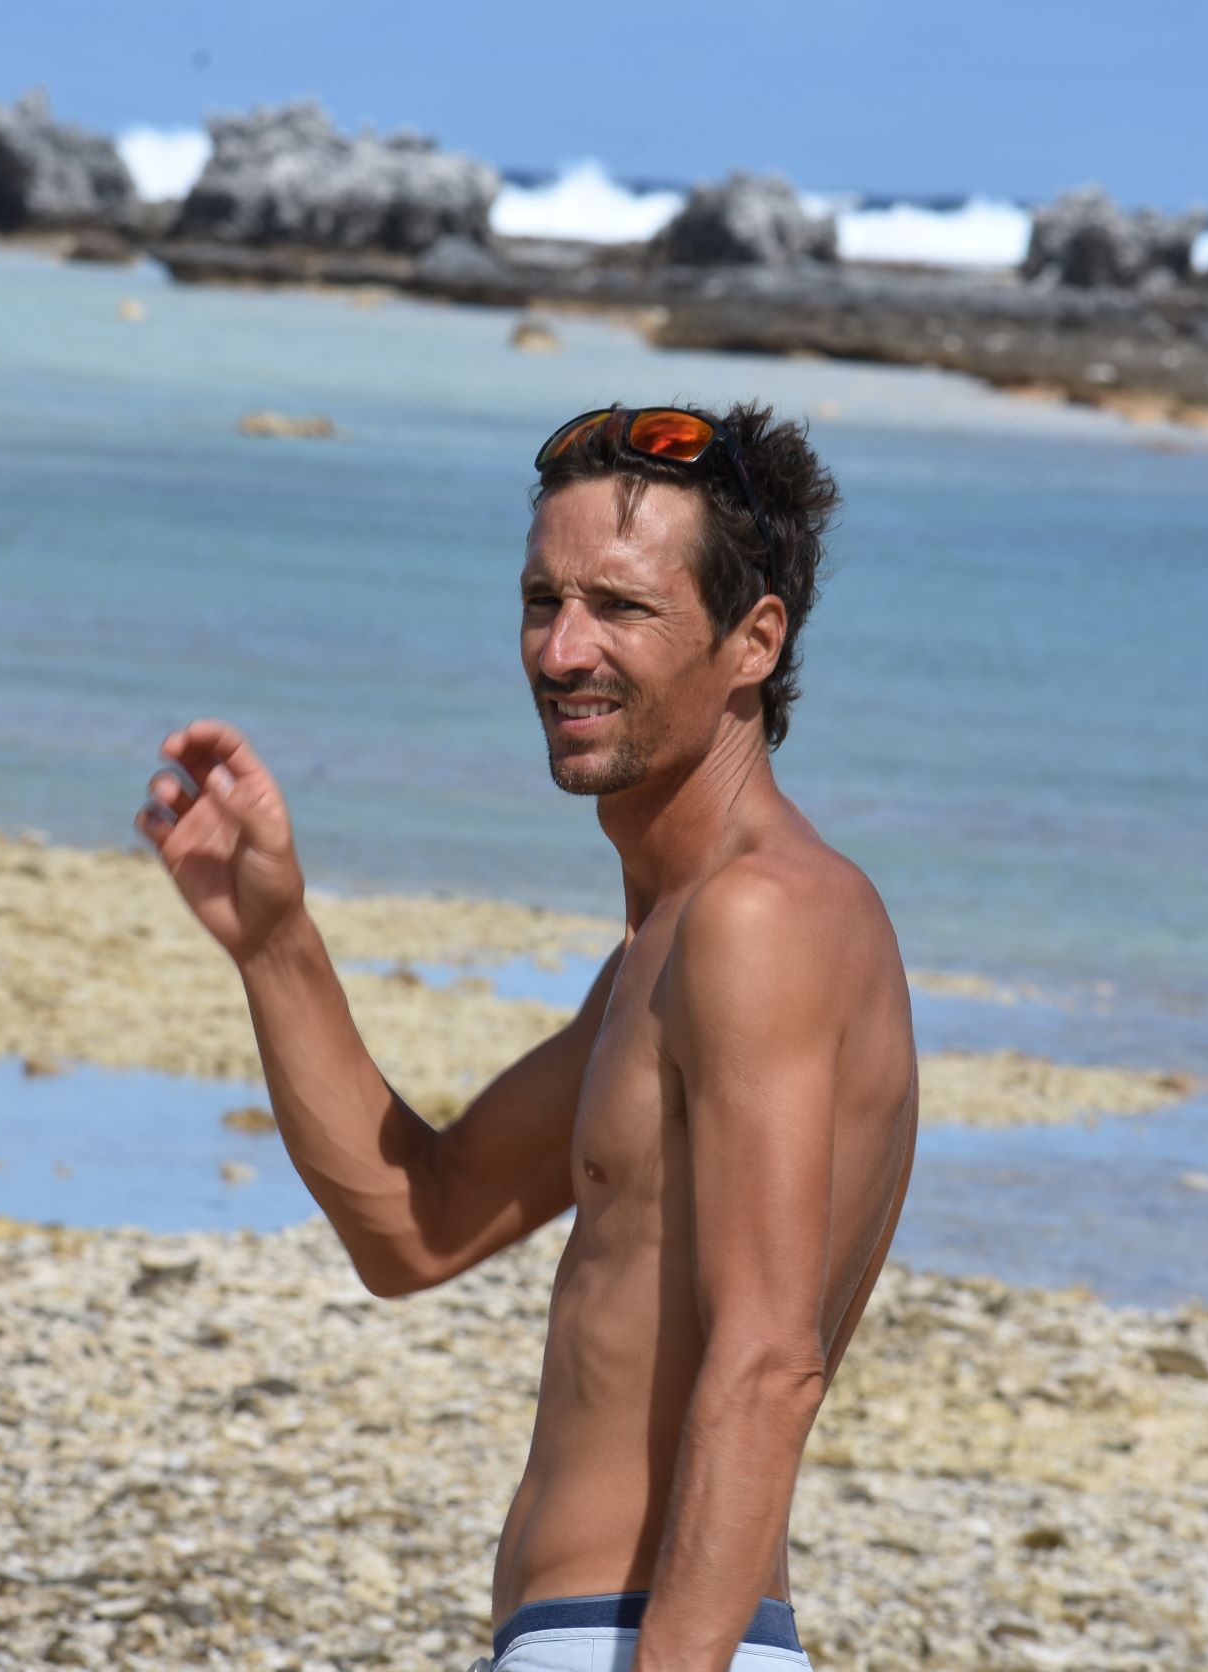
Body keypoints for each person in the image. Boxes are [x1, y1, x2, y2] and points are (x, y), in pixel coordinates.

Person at [135, 401, 918, 1672]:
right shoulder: (660, 957)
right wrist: (274, 942)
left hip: (655, 1643)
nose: (562, 651)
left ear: (753, 641)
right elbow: (420, 1225)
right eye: (542, 600)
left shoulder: (763, 919)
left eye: (620, 607)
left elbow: (770, 1361)